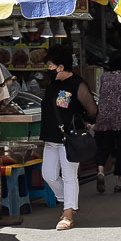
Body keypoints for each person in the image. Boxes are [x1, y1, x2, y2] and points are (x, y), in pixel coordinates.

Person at [41, 48, 92, 228]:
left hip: (68, 138)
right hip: (50, 138)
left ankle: (68, 214)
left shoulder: (77, 84)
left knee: (69, 176)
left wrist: (88, 122)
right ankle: (67, 202)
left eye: (51, 66)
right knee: (48, 175)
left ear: (61, 67)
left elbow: (92, 109)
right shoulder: (52, 84)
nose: (48, 69)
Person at [94, 53, 121, 194]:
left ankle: (100, 171)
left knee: (103, 147)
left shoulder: (104, 77)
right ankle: (120, 183)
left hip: (103, 118)